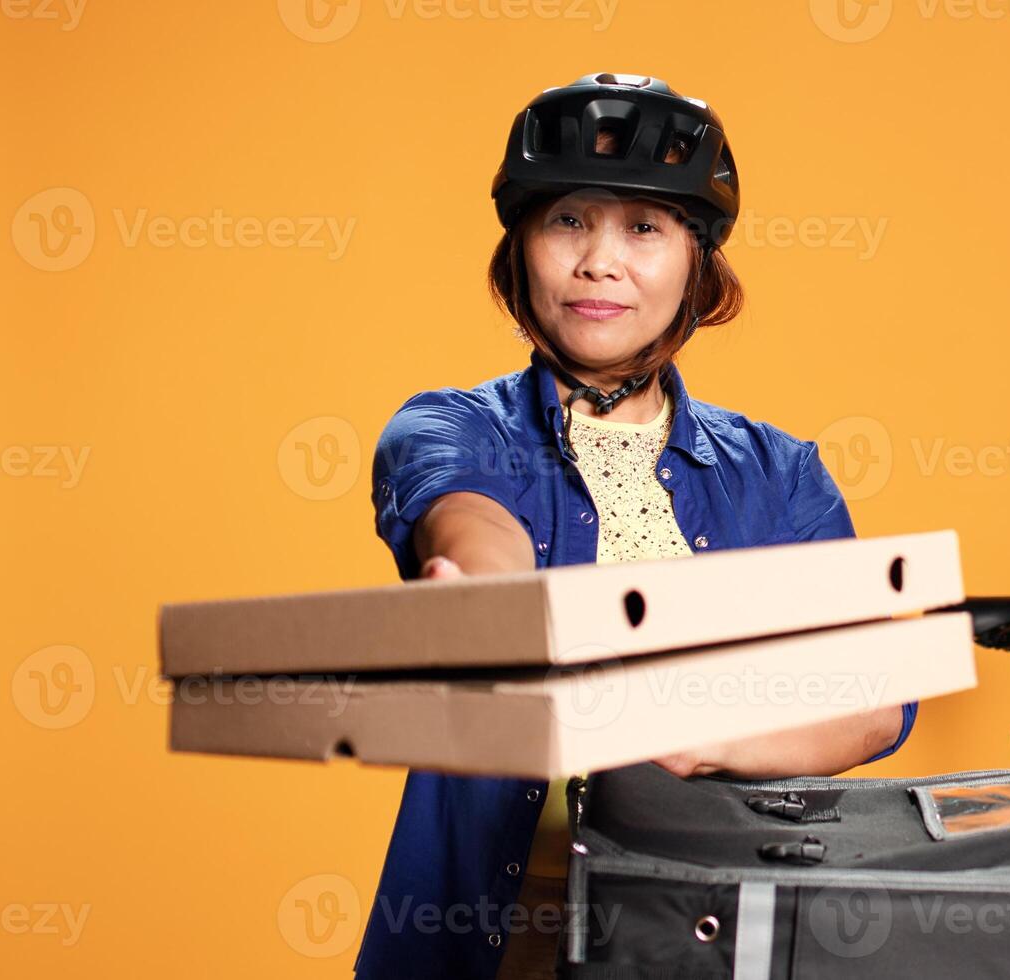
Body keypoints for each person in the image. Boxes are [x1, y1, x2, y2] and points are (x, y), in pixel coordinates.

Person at [351, 72, 920, 980]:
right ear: (521, 246)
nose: (599, 263)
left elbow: (874, 697)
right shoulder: (451, 426)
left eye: (643, 228)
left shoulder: (783, 475)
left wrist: (711, 731)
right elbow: (471, 523)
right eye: (567, 220)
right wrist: (492, 603)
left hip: (708, 950)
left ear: (697, 258)